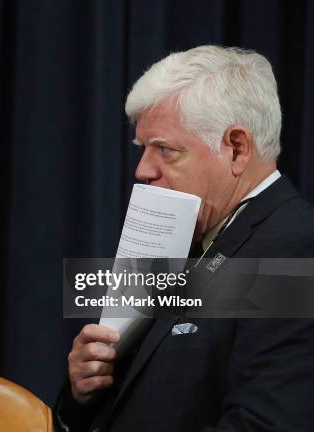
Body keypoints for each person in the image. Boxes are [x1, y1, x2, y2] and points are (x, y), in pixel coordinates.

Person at [54, 46, 314, 431]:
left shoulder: (295, 248)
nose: (143, 170)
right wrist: (83, 391)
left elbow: (265, 423)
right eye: (143, 149)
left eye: (165, 150)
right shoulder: (191, 236)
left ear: (237, 149)